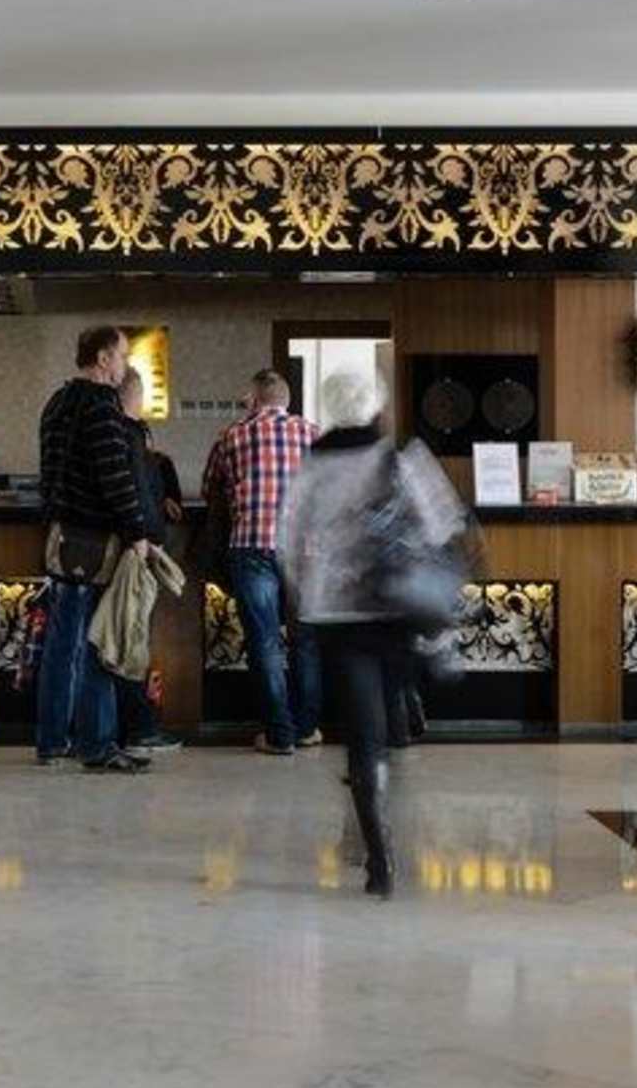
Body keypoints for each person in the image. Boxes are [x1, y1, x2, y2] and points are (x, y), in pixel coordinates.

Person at [282, 369, 470, 896]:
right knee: (390, 724)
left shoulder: (312, 464)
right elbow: (444, 524)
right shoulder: (401, 455)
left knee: (361, 736)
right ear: (376, 405)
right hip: (396, 610)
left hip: (336, 615)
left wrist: (303, 593)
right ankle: (387, 786)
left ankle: (379, 858)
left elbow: (288, 541)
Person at [34, 325, 154, 773]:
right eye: (122, 355)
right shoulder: (103, 406)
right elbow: (115, 477)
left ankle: (51, 742)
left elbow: (49, 472)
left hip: (62, 538)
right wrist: (137, 532)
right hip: (96, 541)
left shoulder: (57, 401)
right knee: (99, 643)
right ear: (103, 358)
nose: (124, 364)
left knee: (60, 645)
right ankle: (97, 745)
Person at [201, 369, 321, 755]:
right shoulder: (313, 434)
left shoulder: (231, 436)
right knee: (305, 642)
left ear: (253, 399)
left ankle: (279, 735)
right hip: (304, 550)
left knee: (264, 642)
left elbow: (209, 488)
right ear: (287, 400)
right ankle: (306, 729)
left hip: (251, 545)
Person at [112, 367, 184, 756]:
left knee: (122, 641)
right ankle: (138, 729)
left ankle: (117, 729)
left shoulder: (112, 433)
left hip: (116, 547)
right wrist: (147, 538)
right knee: (131, 642)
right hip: (133, 551)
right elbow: (138, 492)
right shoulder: (131, 433)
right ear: (135, 396)